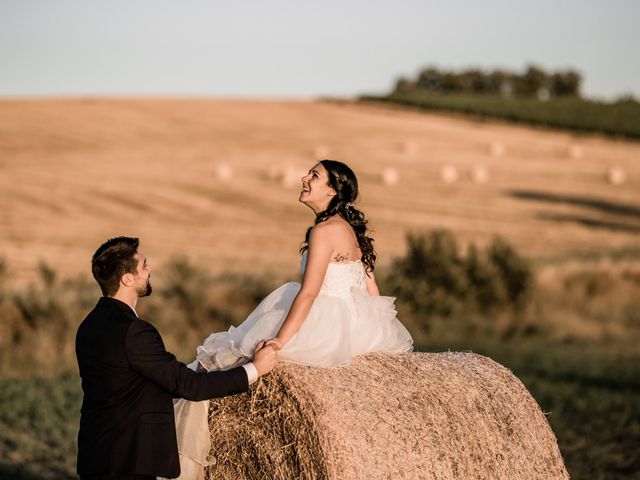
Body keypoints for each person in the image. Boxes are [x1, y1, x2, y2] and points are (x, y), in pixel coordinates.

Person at [173, 160, 413, 479]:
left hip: (322, 318)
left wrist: (280, 341)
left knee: (227, 357)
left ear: (331, 189)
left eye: (314, 175)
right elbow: (370, 285)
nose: (304, 178)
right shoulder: (350, 230)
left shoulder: (324, 231)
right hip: (354, 319)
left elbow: (309, 293)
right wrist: (378, 325)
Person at [75, 237, 278, 480]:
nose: (150, 270)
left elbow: (132, 382)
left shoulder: (88, 325)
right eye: (144, 265)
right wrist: (254, 369)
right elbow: (188, 386)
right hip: (130, 460)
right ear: (126, 279)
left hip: (96, 455)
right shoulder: (135, 331)